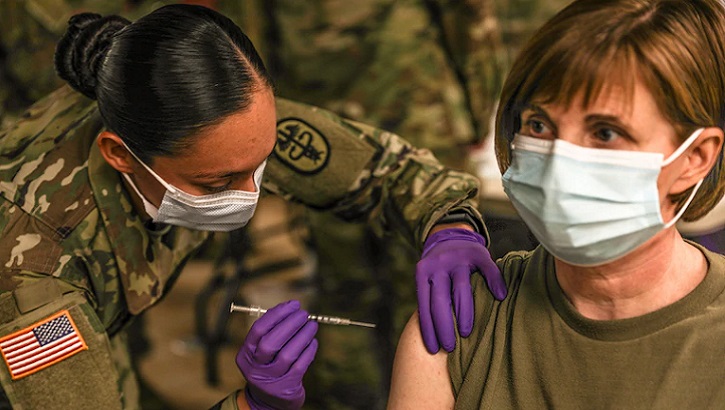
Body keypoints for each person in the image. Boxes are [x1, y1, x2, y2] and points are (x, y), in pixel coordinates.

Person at [0, 4, 507, 409]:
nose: (251, 193)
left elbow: (386, 170)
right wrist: (252, 404)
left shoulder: (209, 120)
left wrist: (450, 224)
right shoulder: (34, 277)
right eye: (218, 181)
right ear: (120, 155)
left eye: (261, 162)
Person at [388, 0, 725, 408]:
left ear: (696, 158)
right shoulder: (461, 326)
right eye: (539, 125)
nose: (558, 165)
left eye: (605, 132)